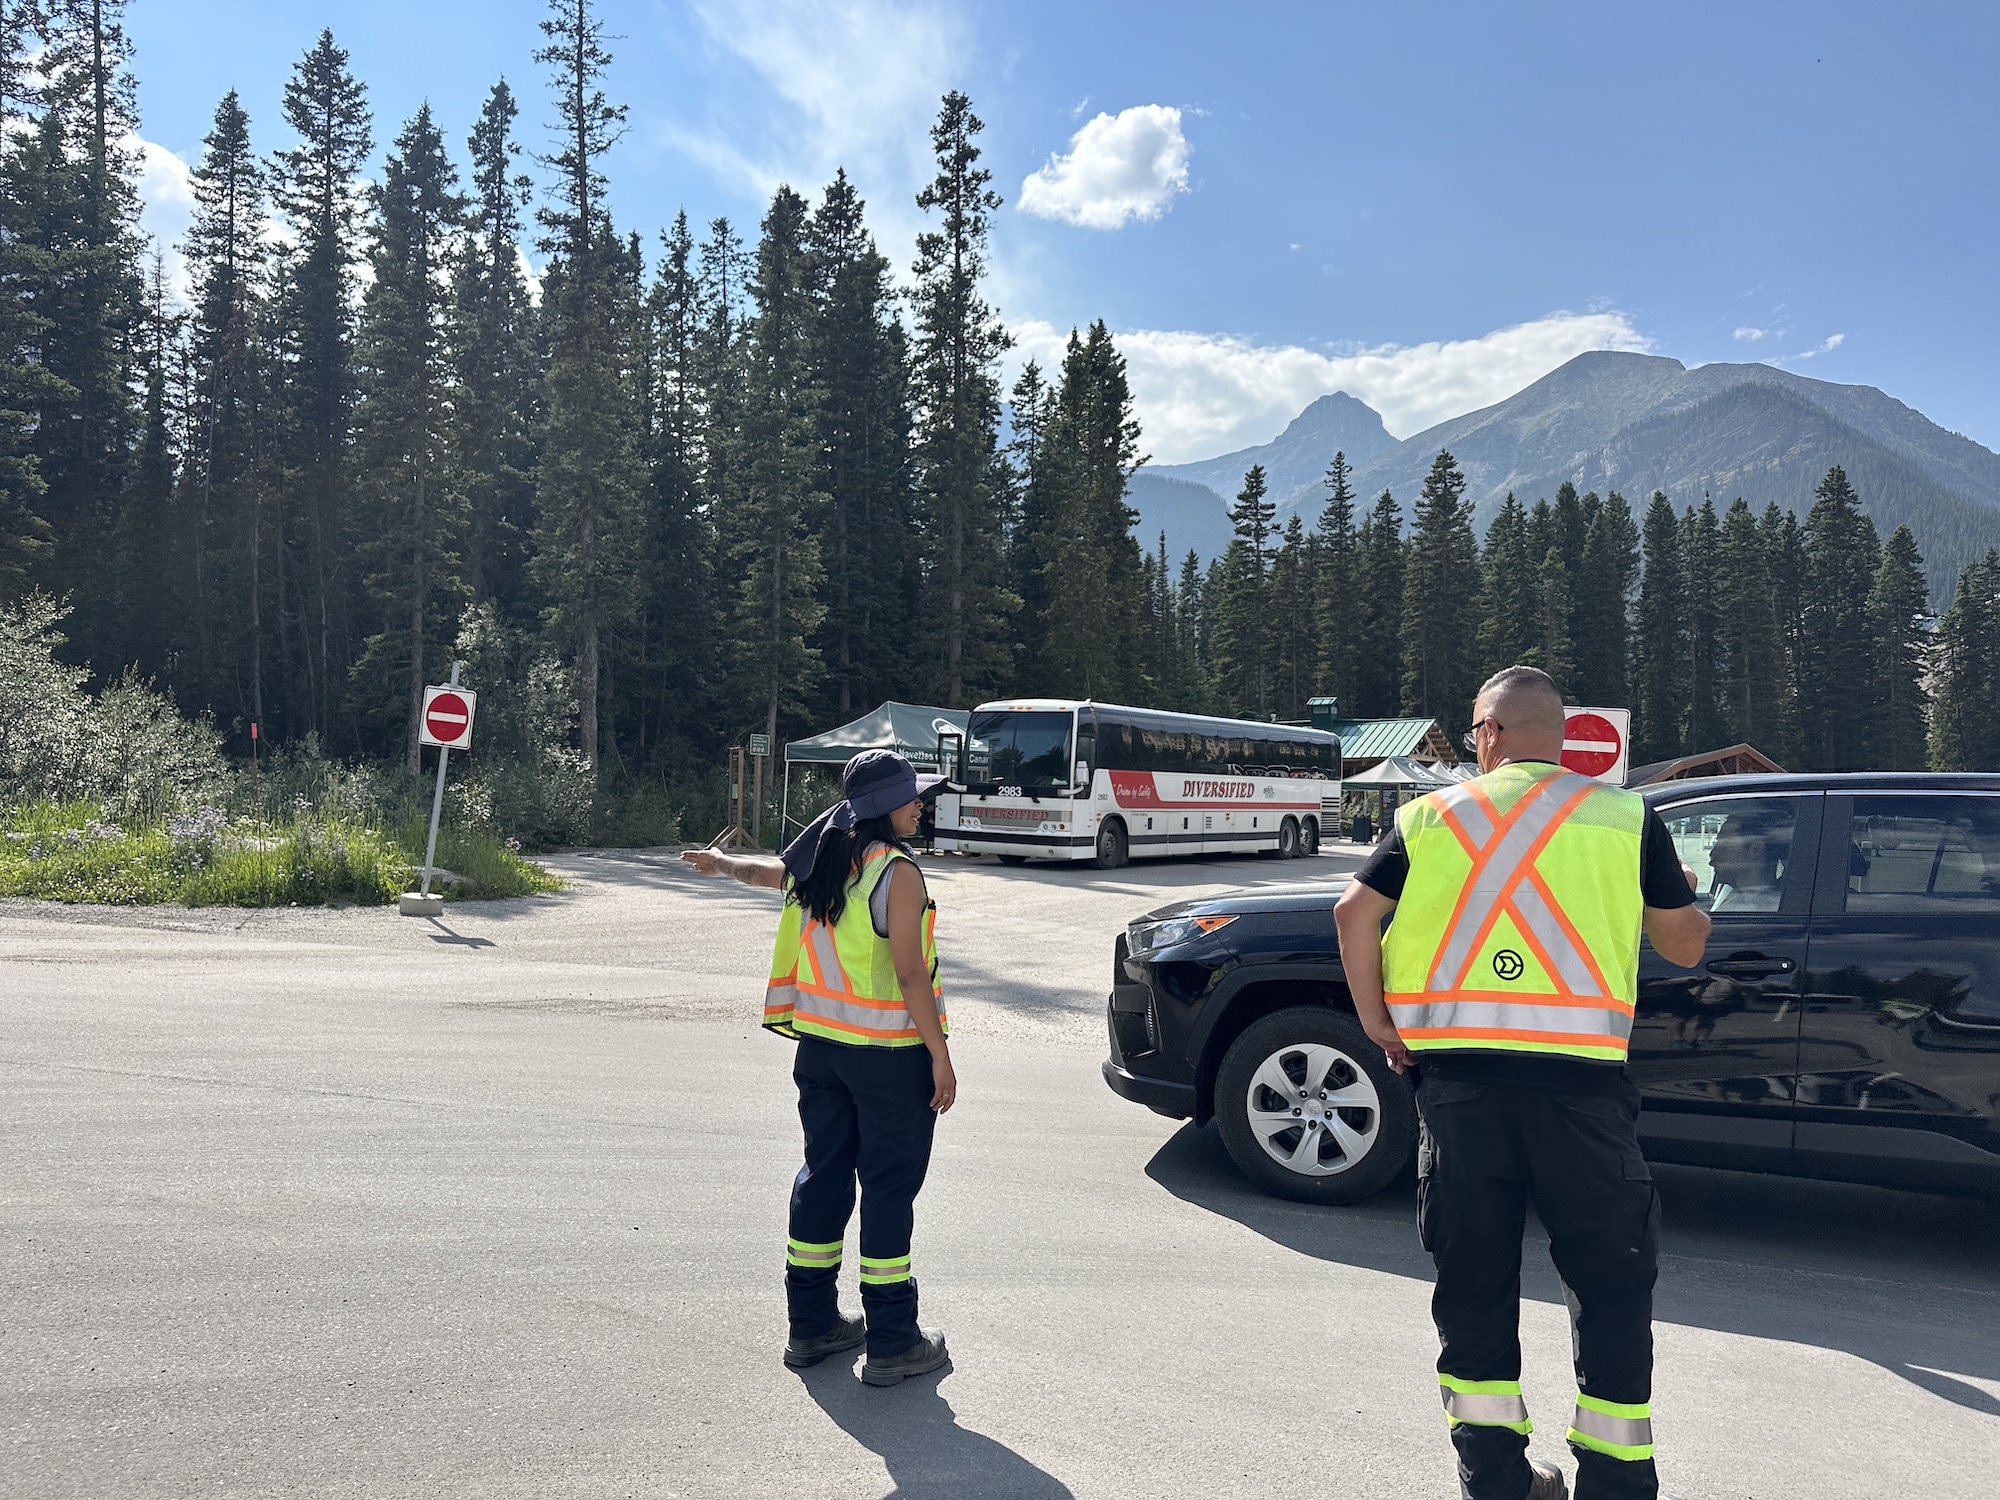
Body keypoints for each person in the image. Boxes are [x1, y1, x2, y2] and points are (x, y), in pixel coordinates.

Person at [1333, 667, 1711, 1500]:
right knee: (1610, 1286)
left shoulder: (1428, 815)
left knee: (1472, 1287)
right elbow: (1685, 946)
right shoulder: (1624, 816)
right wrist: (1689, 904)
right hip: (1583, 1097)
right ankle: (1614, 1483)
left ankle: (1498, 1481)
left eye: (1475, 734)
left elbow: (1352, 914)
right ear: (1563, 738)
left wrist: (1376, 1023)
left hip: (1460, 1093)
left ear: (1490, 733)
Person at [681, 749, 956, 1387]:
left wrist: (721, 864)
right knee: (887, 1189)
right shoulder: (898, 872)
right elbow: (912, 975)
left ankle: (811, 1326)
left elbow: (767, 874)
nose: (922, 804)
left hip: (822, 1051)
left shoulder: (825, 856)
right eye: (915, 797)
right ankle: (892, 1341)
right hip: (889, 1057)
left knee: (824, 1175)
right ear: (887, 809)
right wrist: (941, 1057)